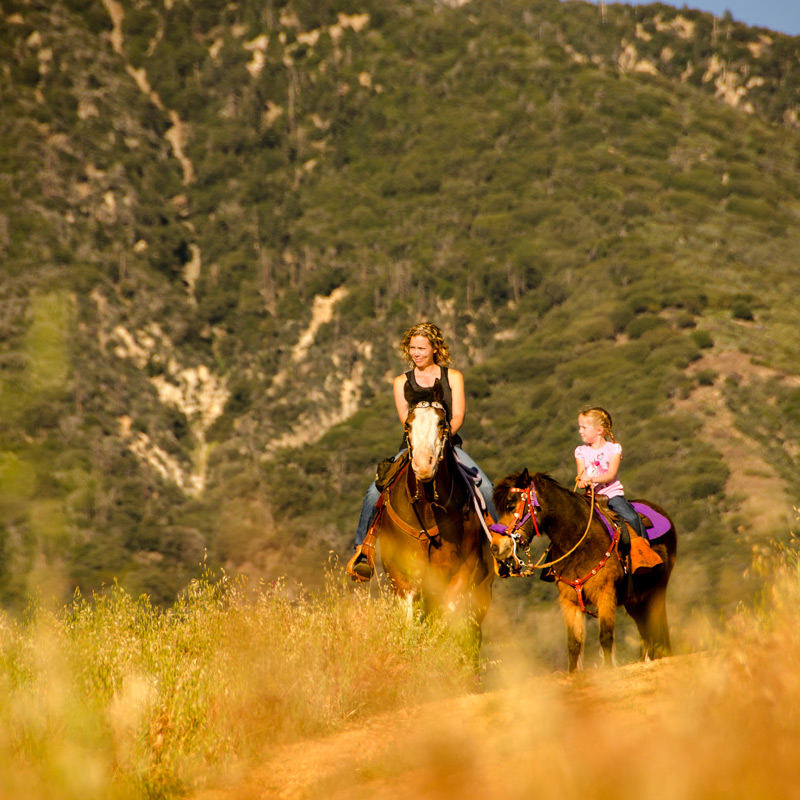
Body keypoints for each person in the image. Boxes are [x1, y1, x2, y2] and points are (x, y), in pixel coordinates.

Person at [348, 322, 497, 580]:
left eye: (421, 348)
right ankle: (364, 550)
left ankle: (499, 547)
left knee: (486, 487)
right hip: (415, 446)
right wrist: (423, 443)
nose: (415, 353)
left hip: (447, 444)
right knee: (375, 491)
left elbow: (459, 414)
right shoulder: (400, 382)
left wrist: (442, 437)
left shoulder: (453, 377)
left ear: (434, 349)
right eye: (412, 348)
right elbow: (406, 419)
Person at [574, 406, 647, 559]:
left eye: (584, 427)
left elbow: (610, 475)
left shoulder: (613, 449)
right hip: (590, 497)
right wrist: (581, 481)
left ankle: (644, 553)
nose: (580, 431)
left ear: (599, 430)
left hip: (611, 495)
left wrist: (591, 479)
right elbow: (581, 473)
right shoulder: (581, 451)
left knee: (632, 518)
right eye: (580, 427)